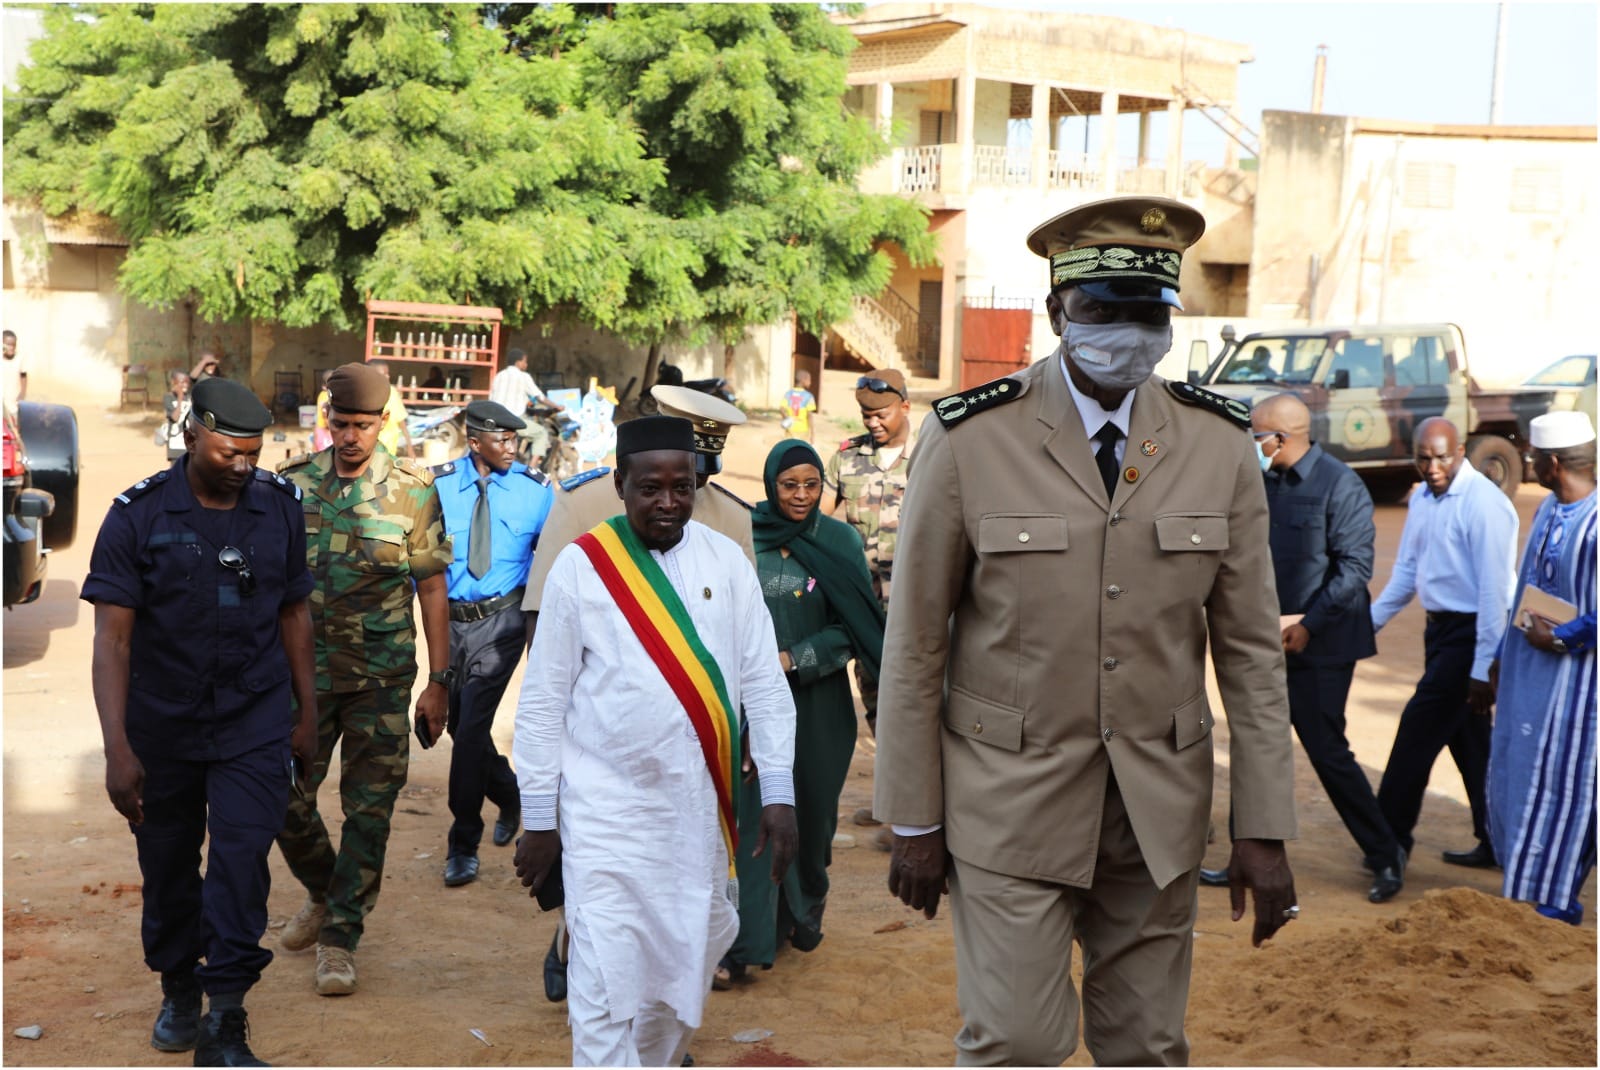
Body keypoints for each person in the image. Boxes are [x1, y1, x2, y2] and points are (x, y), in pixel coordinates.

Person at [874, 196, 1299, 1066]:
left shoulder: (1218, 445)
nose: (1126, 333)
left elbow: (1252, 654)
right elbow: (915, 643)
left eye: (1148, 314)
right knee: (1017, 1043)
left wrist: (1263, 823)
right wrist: (913, 817)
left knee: (1147, 1046)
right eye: (1102, 309)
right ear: (1057, 310)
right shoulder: (970, 440)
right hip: (1008, 801)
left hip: (1157, 810)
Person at [512, 415, 798, 1067]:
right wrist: (538, 820)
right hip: (603, 820)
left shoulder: (726, 562)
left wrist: (778, 792)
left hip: (697, 820)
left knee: (680, 983)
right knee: (605, 988)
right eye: (650, 488)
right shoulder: (582, 569)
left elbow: (762, 680)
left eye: (681, 487)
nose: (667, 502)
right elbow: (542, 703)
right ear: (620, 484)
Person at [83, 377, 318, 1066]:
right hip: (164, 727)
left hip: (254, 718)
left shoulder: (278, 507)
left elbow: (295, 612)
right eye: (229, 453)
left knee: (242, 864)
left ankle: (226, 1018)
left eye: (254, 453)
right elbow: (113, 641)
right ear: (191, 435)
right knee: (169, 867)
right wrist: (117, 747)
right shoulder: (138, 517)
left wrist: (306, 714)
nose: (245, 466)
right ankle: (180, 985)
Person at [274, 362, 453, 996]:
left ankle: (340, 936)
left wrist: (439, 680)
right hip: (303, 679)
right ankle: (327, 891)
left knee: (368, 812)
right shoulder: (289, 487)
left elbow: (431, 587)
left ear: (384, 423)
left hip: (380, 679)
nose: (352, 436)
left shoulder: (412, 489)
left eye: (365, 425)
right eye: (342, 423)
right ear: (328, 420)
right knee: (281, 796)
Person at [1202, 393, 1404, 902]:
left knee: (1327, 751)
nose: (1250, 444)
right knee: (1256, 748)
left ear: (1280, 438)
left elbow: (1353, 569)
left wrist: (1309, 625)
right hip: (1266, 639)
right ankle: (1244, 857)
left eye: (1254, 436)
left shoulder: (1340, 484)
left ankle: (1386, 856)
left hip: (1322, 643)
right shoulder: (1260, 482)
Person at [723, 439, 885, 984]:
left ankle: (803, 910)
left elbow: (857, 628)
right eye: (789, 485)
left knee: (812, 820)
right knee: (758, 816)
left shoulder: (838, 539)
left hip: (818, 708)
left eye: (811, 485)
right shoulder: (745, 536)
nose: (800, 495)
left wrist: (795, 657)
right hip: (753, 707)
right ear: (771, 485)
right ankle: (751, 939)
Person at [1371, 416, 1518, 869]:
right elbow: (1406, 576)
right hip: (1439, 634)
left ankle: (1389, 843)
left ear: (1460, 453)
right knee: (1472, 746)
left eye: (1441, 457)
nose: (1432, 467)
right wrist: (1365, 627)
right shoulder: (1423, 502)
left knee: (1416, 734)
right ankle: (1500, 842)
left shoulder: (1484, 505)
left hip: (1474, 635)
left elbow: (1496, 592)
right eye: (1423, 458)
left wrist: (1481, 669)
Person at [431, 401, 554, 887]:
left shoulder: (537, 492)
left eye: (515, 440)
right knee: (461, 729)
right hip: (449, 623)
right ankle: (508, 791)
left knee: (473, 722)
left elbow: (550, 564)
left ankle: (464, 839)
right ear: (474, 440)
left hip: (503, 622)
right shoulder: (437, 486)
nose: (512, 449)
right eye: (502, 440)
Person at [1487, 410, 1596, 925]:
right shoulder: (1551, 509)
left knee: (1572, 788)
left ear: (1552, 462)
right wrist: (1499, 658)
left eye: (1532, 456)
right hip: (1531, 677)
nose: (1527, 462)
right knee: (1528, 774)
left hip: (1581, 690)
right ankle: (1538, 893)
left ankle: (1558, 902)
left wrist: (1562, 637)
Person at [825, 366, 913, 753]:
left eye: (882, 414)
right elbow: (817, 520)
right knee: (874, 696)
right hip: (866, 607)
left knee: (922, 699)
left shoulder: (932, 456)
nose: (873, 423)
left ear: (905, 406)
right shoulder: (847, 458)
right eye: (866, 415)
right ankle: (894, 799)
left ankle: (932, 804)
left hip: (918, 606)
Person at [490, 348, 561, 462]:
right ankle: (531, 471)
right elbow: (540, 397)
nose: (526, 364)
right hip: (513, 421)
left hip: (495, 420)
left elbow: (491, 398)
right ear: (518, 362)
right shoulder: (523, 377)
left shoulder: (499, 376)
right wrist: (556, 406)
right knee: (541, 433)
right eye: (525, 361)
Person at [367, 360, 415, 461]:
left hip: (389, 452)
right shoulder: (363, 394)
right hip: (369, 452)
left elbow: (401, 422)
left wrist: (410, 448)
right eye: (384, 374)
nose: (388, 377)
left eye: (388, 373)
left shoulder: (392, 393)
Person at [161, 371, 194, 462]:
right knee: (176, 472)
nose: (185, 385)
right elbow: (175, 418)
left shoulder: (191, 398)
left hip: (188, 443)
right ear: (173, 382)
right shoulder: (168, 397)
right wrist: (180, 397)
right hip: (175, 444)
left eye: (187, 382)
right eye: (182, 382)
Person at [781, 370, 818, 443]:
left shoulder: (788, 394)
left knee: (789, 449)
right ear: (803, 380)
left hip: (790, 429)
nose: (810, 382)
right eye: (809, 380)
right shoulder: (808, 396)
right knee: (800, 450)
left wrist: (788, 419)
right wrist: (812, 433)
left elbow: (781, 409)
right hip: (803, 431)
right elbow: (809, 416)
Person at [2, 329, 27, 412]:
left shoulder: (19, 358)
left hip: (14, 402)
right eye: (8, 345)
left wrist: (22, 394)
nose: (12, 347)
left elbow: (23, 375)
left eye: (14, 345)